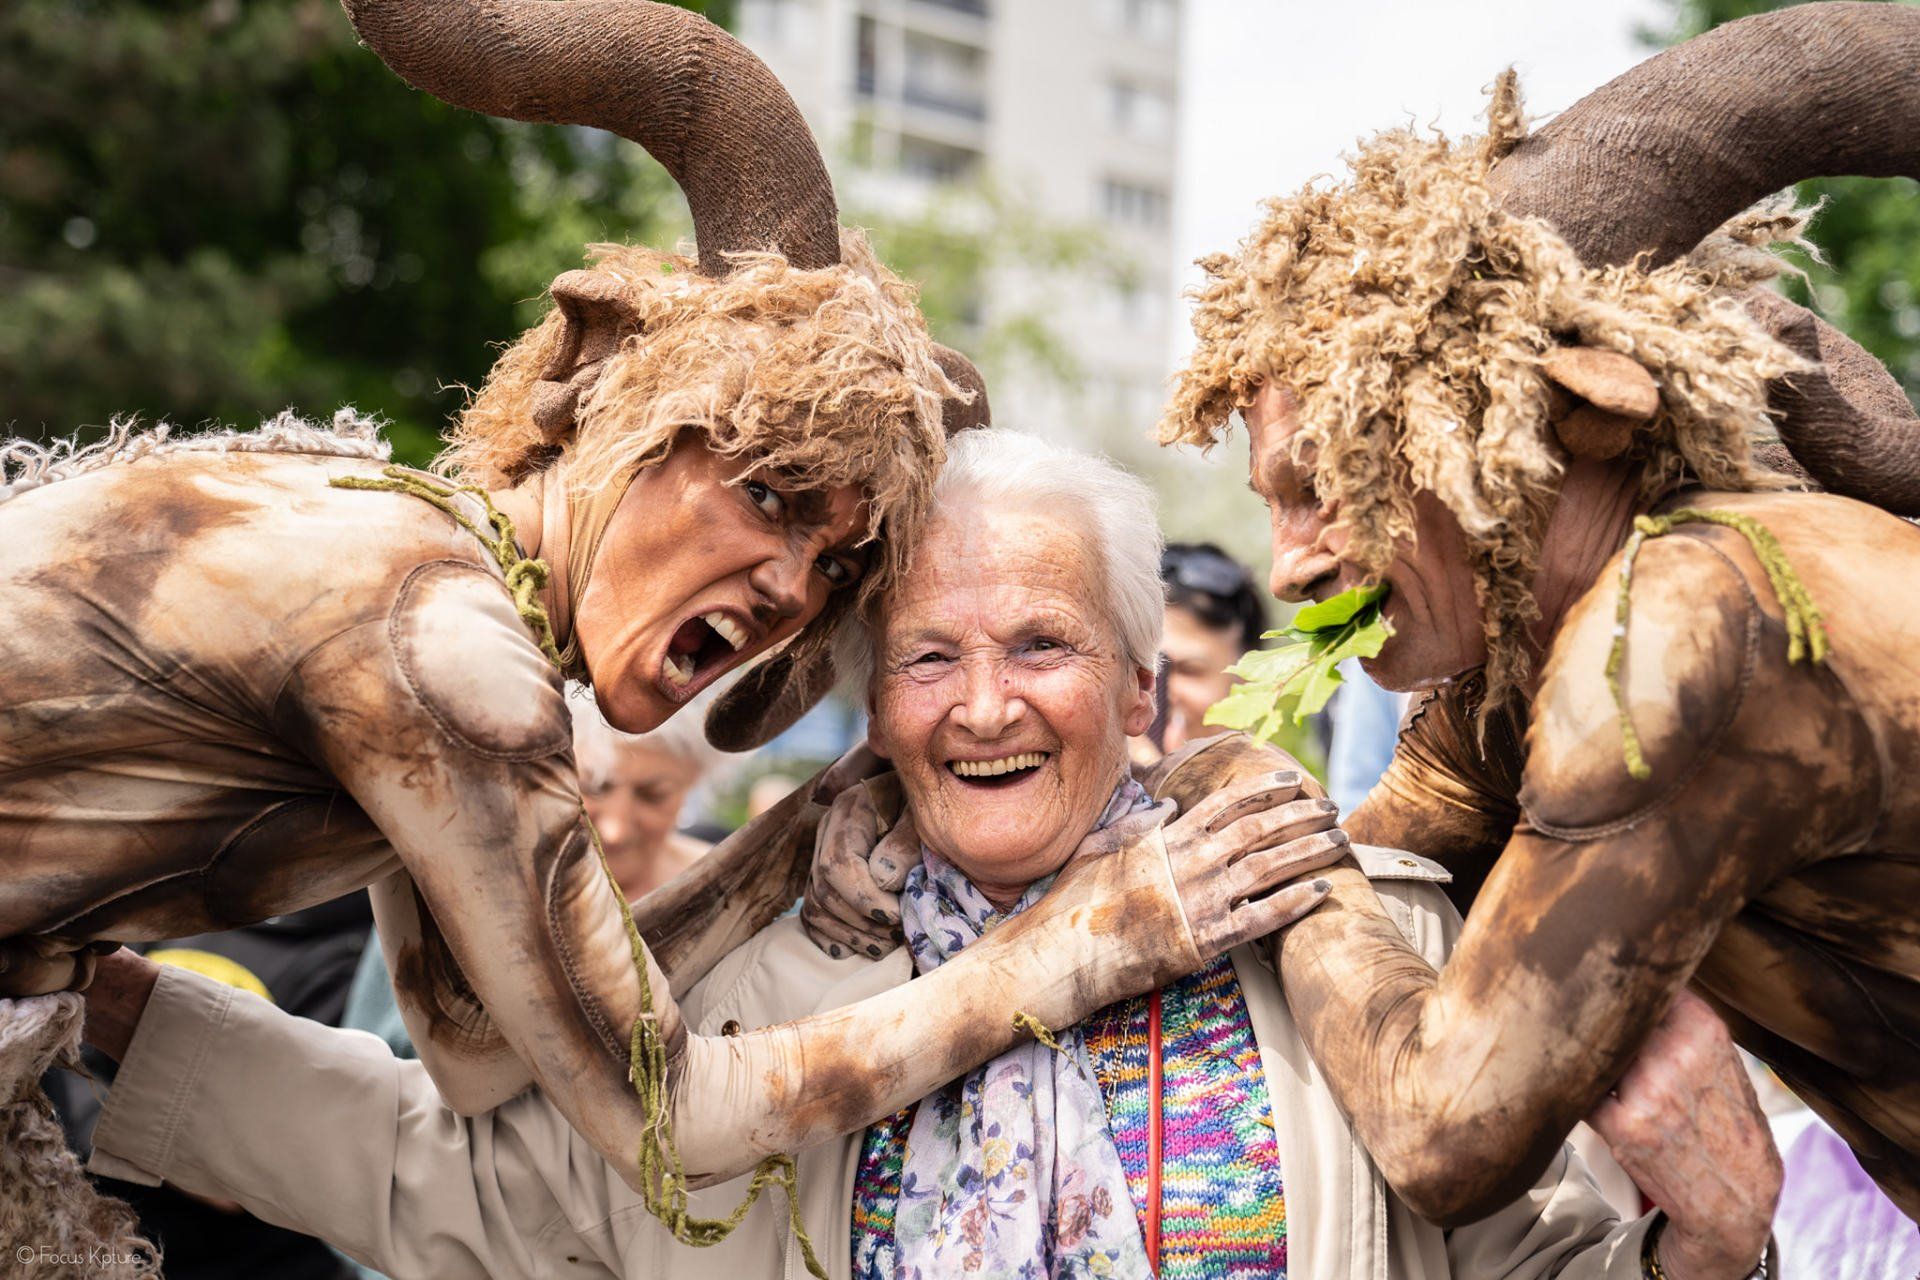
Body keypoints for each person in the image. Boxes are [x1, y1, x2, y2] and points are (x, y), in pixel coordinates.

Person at [0, 0, 1314, 1261]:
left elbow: (472, 1037)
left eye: (835, 559)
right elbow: (668, 1121)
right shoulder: (439, 643)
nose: (790, 587)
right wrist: (1081, 946)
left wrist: (797, 831)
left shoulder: (437, 594)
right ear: (598, 369)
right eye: (766, 491)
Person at [77, 430, 1776, 1279]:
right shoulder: (756, 999)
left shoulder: (1356, 939)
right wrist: (110, 1018)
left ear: (1142, 686)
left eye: (1040, 644)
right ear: (870, 709)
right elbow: (452, 1180)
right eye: (926, 658)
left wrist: (1711, 1240)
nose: (982, 707)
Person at [1152, 0, 1920, 1235]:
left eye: (1333, 481)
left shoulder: (1693, 616)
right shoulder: (1513, 675)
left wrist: (1246, 788)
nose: (1289, 568)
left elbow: (1445, 1128)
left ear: (1556, 417)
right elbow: (1384, 888)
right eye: (1274, 503)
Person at [1157, 542, 1270, 754]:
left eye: (1189, 670)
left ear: (1250, 683)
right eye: (1139, 669)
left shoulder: (1278, 773)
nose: (1154, 691)